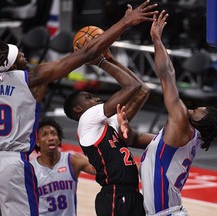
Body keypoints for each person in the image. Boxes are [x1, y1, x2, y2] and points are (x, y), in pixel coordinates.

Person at [0, 1, 158, 215]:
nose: (25, 56)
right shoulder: (32, 78)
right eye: (21, 55)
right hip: (12, 162)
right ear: (13, 64)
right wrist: (125, 22)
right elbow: (85, 54)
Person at [139, 11, 217, 216]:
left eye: (198, 111)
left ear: (201, 122)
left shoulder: (180, 121)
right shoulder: (194, 136)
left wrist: (157, 39)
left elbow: (167, 75)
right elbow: (155, 143)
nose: (194, 109)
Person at [63, 38, 155, 214]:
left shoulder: (108, 123)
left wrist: (112, 60)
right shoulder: (87, 119)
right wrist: (101, 62)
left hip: (132, 194)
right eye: (89, 97)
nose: (97, 98)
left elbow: (142, 90)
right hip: (114, 193)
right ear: (78, 109)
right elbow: (132, 86)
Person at [30, 117, 95, 216]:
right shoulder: (30, 170)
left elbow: (102, 170)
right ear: (37, 142)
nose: (51, 138)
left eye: (53, 134)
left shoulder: (72, 161)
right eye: (45, 135)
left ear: (59, 139)